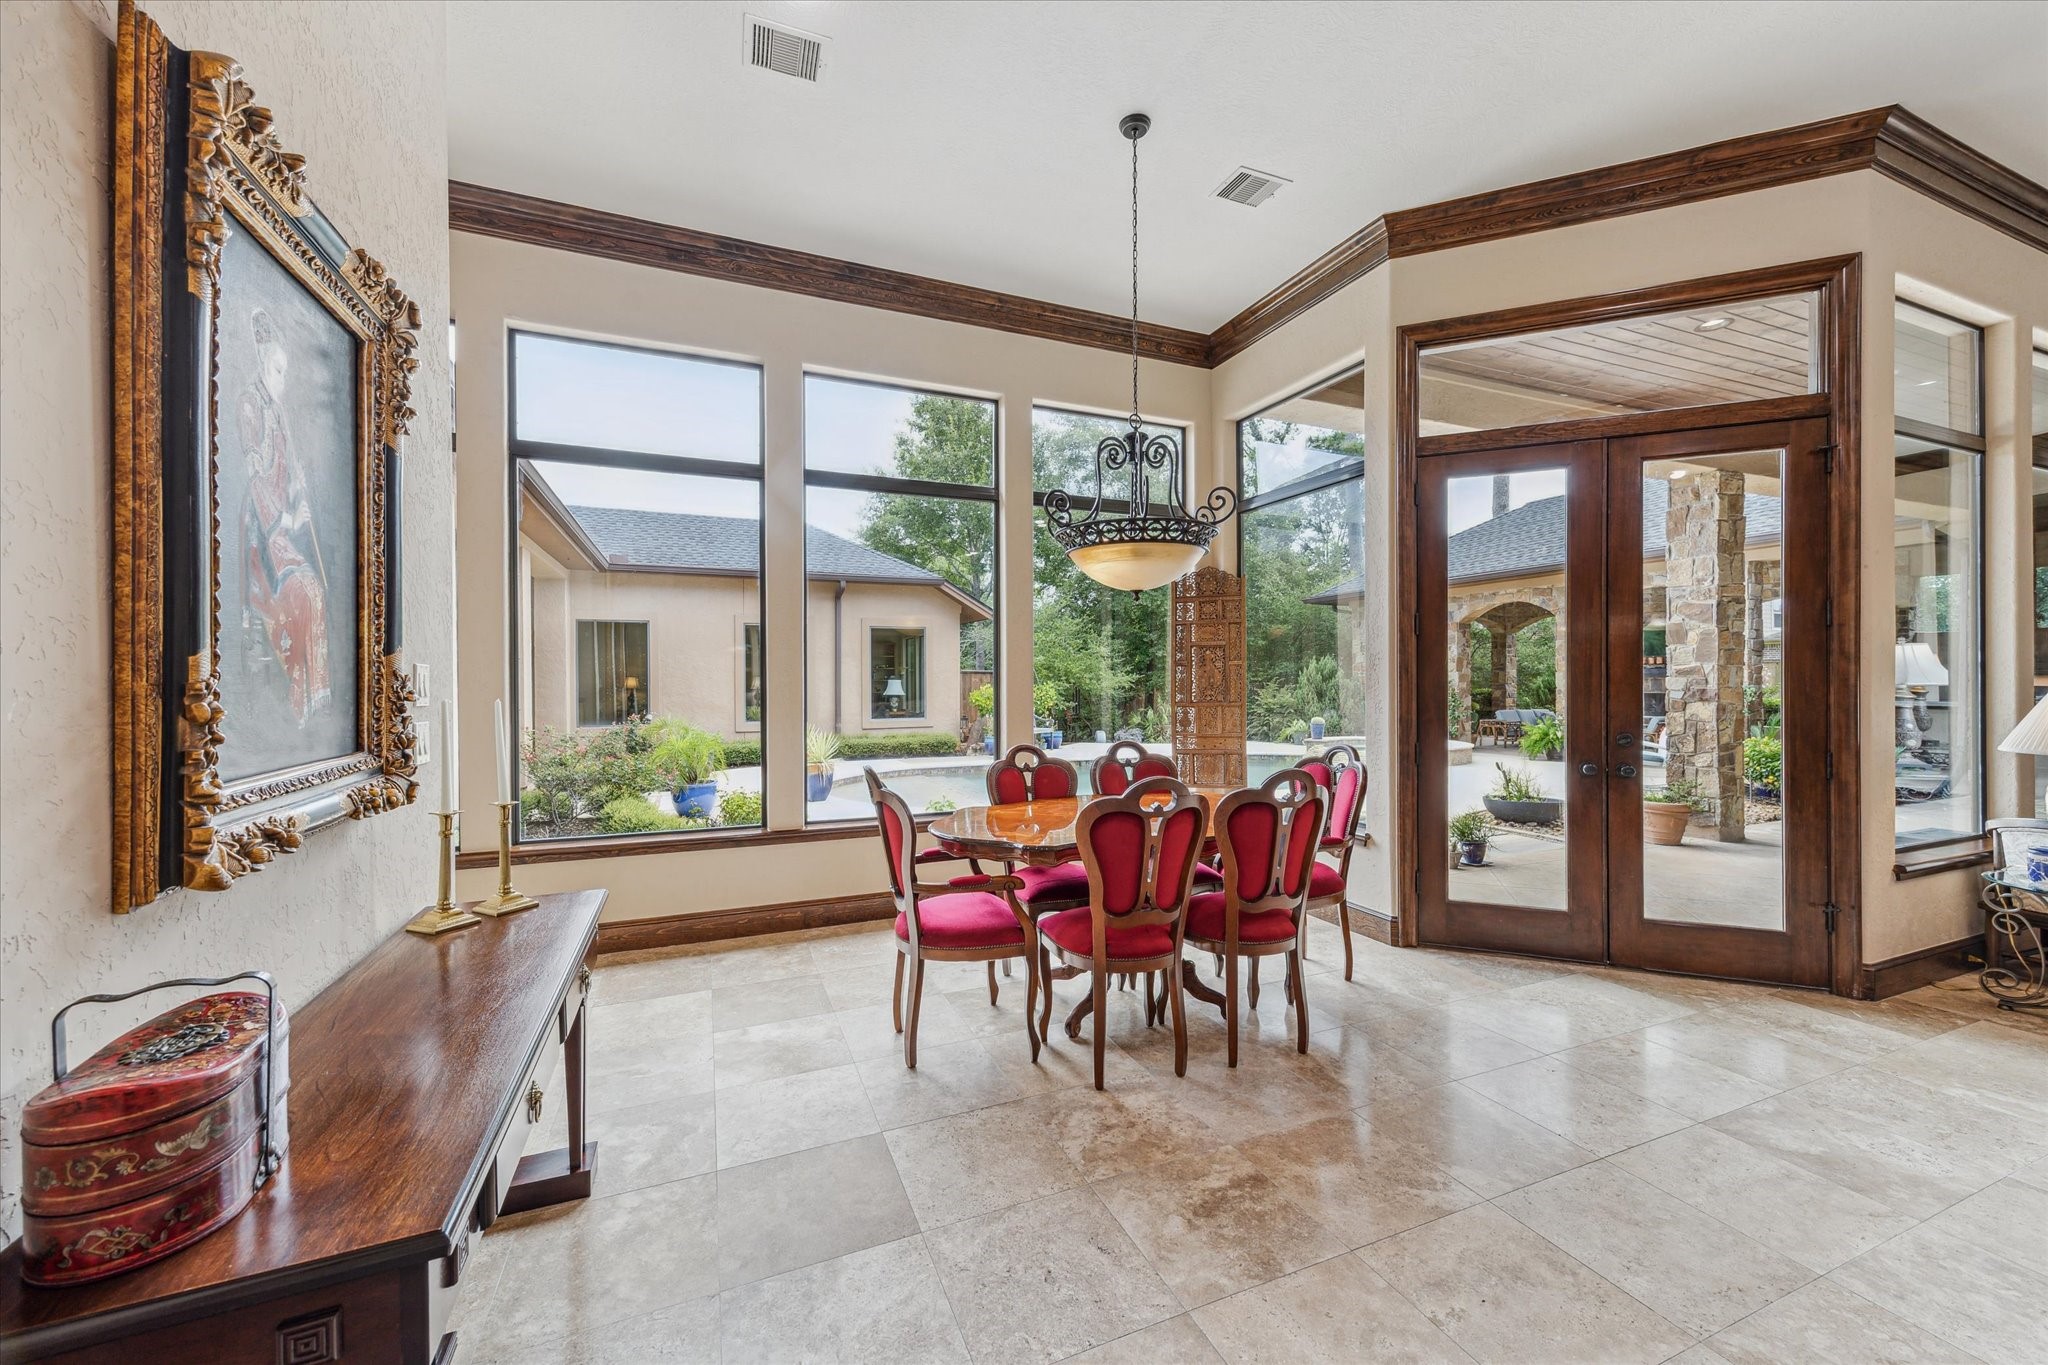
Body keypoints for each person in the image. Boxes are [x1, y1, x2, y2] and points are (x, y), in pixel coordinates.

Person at [237, 307, 331, 724]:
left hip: (285, 530)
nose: (283, 379)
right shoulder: (249, 406)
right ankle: (297, 699)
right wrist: (288, 520)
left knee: (315, 591)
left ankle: (311, 699)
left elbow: (291, 470)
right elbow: (258, 483)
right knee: (305, 592)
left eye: (285, 371)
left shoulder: (280, 410)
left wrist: (300, 498)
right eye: (278, 370)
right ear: (262, 362)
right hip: (263, 532)